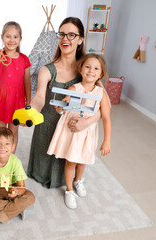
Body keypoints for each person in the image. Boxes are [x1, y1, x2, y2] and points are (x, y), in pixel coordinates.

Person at [27, 17, 105, 188]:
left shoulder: (88, 70)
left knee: (71, 162)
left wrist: (86, 122)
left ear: (80, 39)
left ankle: (73, 182)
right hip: (48, 124)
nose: (65, 39)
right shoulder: (47, 69)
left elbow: (103, 105)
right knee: (43, 168)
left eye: (71, 35)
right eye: (62, 34)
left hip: (73, 127)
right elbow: (40, 97)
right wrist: (30, 110)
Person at [47, 53, 111, 209]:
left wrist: (107, 140)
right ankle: (69, 191)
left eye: (96, 68)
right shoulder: (75, 88)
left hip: (88, 132)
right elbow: (63, 105)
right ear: (81, 69)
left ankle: (78, 181)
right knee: (71, 162)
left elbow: (106, 117)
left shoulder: (100, 93)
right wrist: (60, 107)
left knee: (83, 160)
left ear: (100, 74)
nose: (91, 71)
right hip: (73, 131)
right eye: (87, 66)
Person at [0, 127, 35, 236]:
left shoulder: (15, 162)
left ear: (13, 147)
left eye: (7, 144)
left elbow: (22, 188)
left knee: (30, 197)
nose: (3, 147)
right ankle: (17, 208)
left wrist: (17, 192)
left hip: (11, 189)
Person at [0, 21, 31, 153]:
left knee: (13, 132)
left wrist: (28, 103)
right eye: (8, 36)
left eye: (15, 37)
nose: (12, 40)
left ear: (20, 39)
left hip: (17, 101)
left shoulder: (24, 59)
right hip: (1, 99)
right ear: (2, 37)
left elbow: (27, 82)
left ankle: (10, 159)